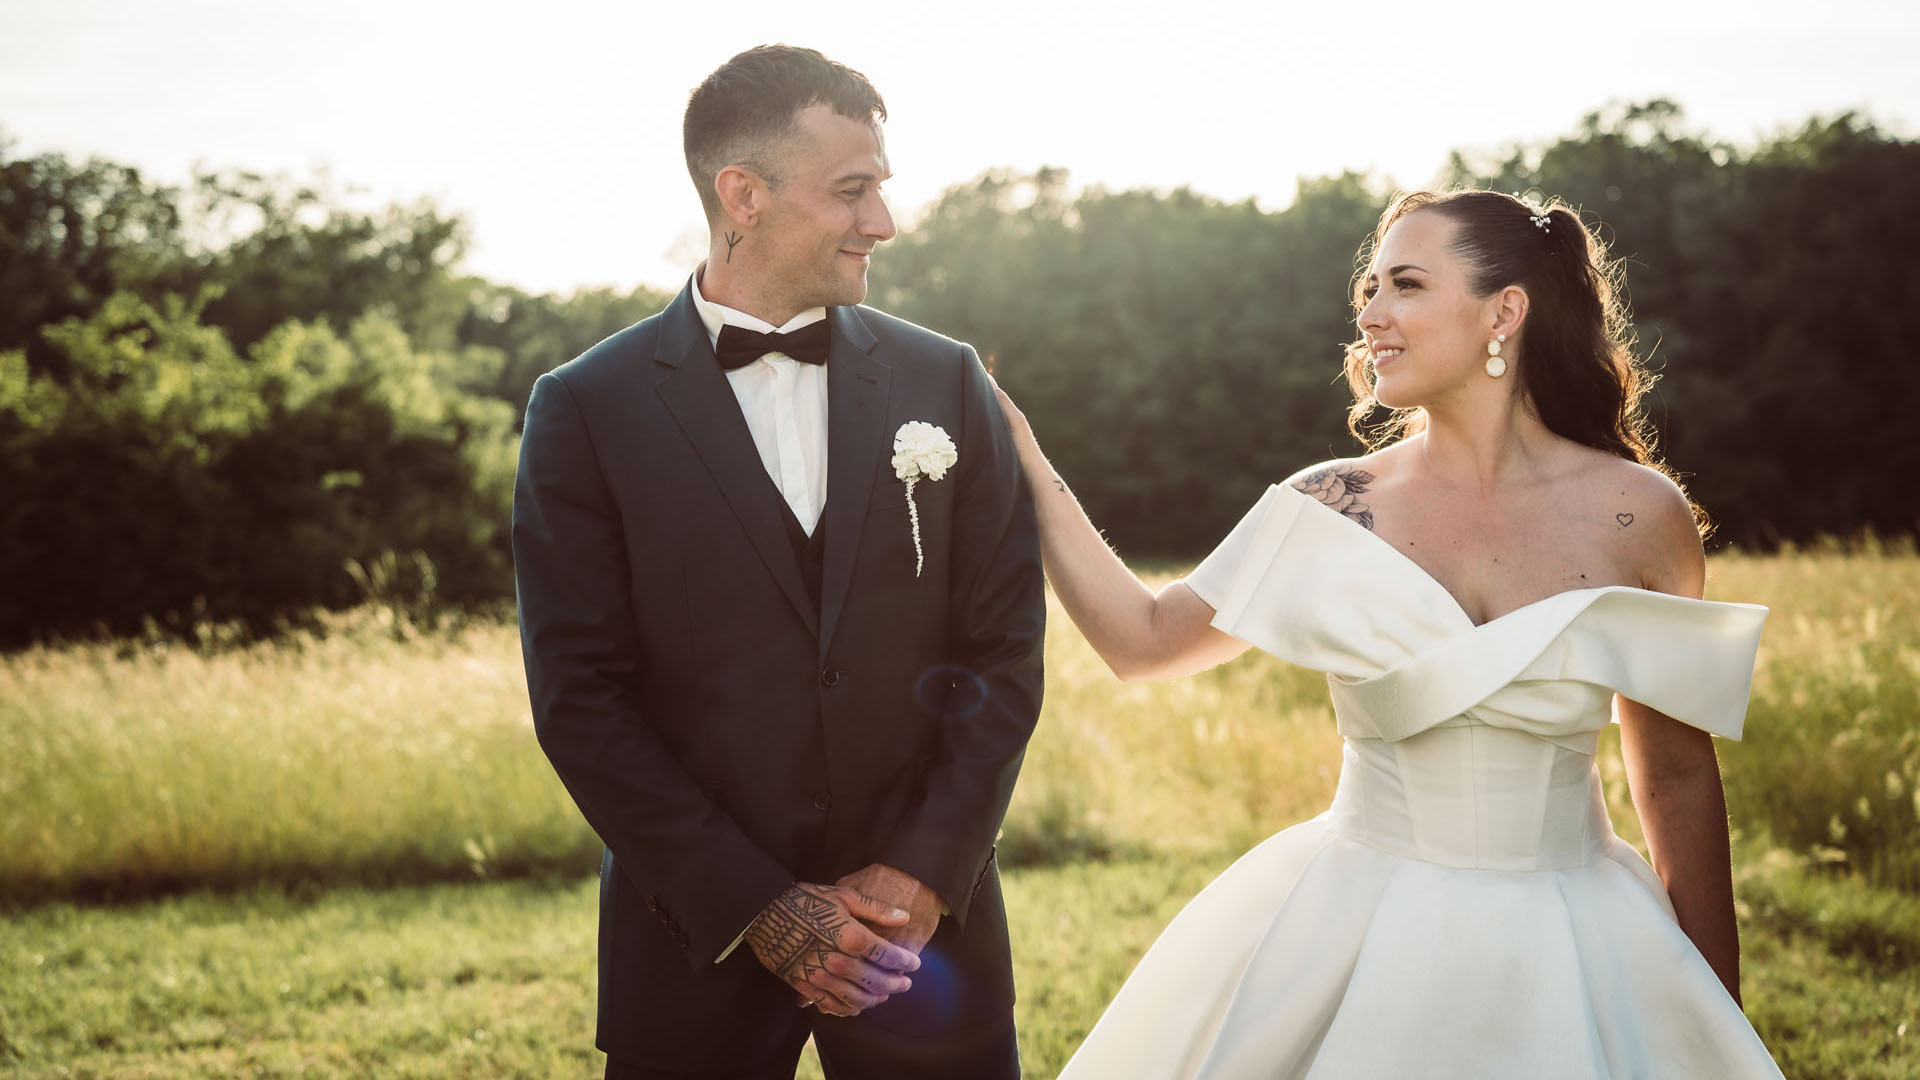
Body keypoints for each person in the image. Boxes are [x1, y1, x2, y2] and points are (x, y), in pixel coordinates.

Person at [994, 189, 1785, 1077]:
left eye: (1406, 285)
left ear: (1505, 312)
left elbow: (1675, 773)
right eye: (1369, 289)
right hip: (1354, 919)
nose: (1370, 314)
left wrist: (1716, 1012)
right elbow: (1143, 641)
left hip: (1578, 932)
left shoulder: (1638, 515)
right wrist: (1021, 452)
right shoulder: (1329, 506)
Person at [513, 45, 1045, 1080]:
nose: (882, 222)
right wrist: (756, 906)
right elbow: (580, 696)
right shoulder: (586, 408)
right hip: (694, 946)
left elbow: (1003, 653)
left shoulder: (947, 381)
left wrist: (921, 877)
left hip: (920, 948)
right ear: (743, 195)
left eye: (881, 188)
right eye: (852, 190)